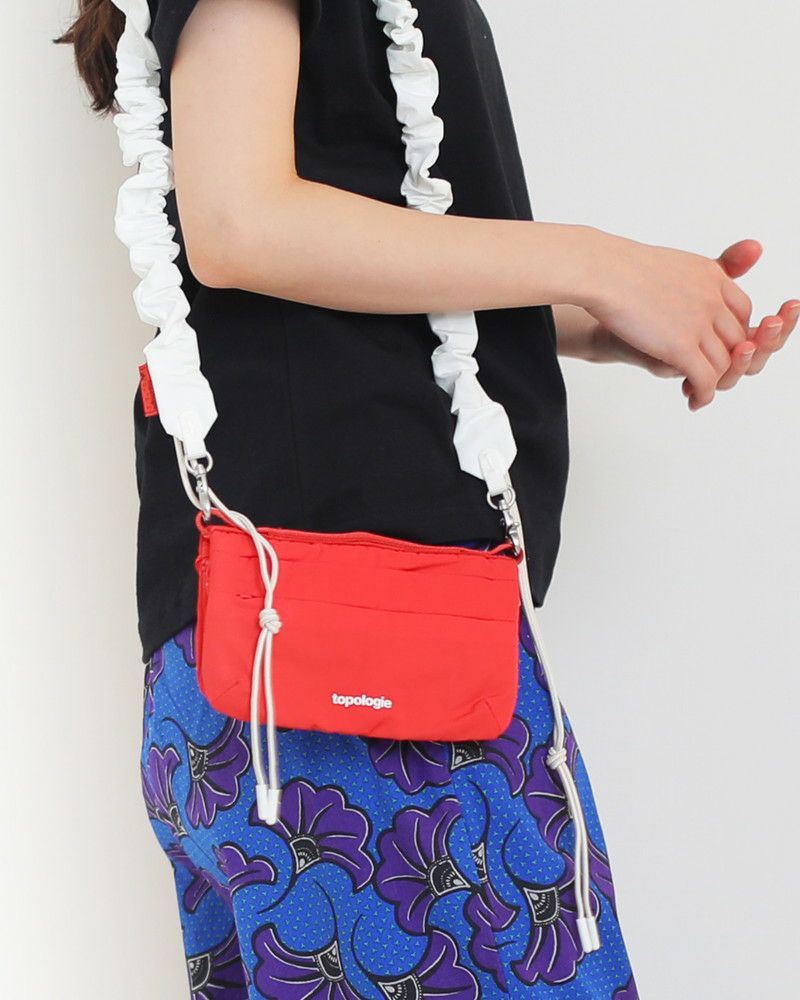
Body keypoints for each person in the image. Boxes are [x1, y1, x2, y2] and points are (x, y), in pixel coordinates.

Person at [59, 1, 795, 997]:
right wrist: (599, 261)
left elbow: (333, 225)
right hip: (340, 640)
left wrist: (601, 312)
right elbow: (240, 222)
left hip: (337, 635)